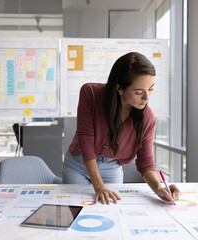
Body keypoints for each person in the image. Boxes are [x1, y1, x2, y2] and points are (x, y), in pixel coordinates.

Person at [62, 52, 180, 205]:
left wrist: (158, 188)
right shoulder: (90, 93)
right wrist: (99, 187)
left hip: (112, 168)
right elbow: (85, 140)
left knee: (112, 210)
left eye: (150, 89)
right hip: (79, 165)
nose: (146, 98)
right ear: (119, 88)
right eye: (139, 92)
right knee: (77, 207)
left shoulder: (147, 118)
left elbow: (145, 162)